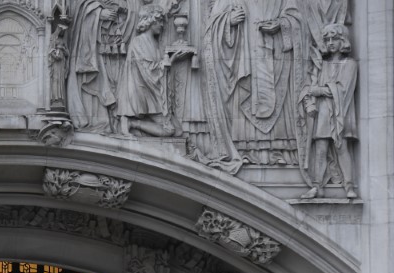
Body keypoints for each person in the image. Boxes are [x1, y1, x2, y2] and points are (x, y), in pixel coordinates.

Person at [202, 0, 310, 173]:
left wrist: (281, 24)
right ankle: (246, 152)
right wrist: (228, 21)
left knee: (278, 109)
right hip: (244, 61)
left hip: (276, 58)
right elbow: (210, 29)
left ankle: (280, 153)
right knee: (245, 106)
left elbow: (297, 19)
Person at [298, 24, 357, 199]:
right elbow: (311, 86)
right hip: (323, 111)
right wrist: (312, 91)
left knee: (341, 147)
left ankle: (349, 185)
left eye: (334, 39)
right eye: (327, 39)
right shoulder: (322, 65)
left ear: (343, 41)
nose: (330, 42)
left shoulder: (350, 64)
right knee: (321, 148)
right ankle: (317, 185)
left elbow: (343, 88)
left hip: (341, 110)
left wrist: (320, 90)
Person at [117, 5, 191, 137]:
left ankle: (134, 124)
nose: (162, 25)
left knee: (178, 130)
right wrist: (170, 61)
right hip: (144, 95)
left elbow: (154, 69)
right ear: (150, 21)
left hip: (154, 95)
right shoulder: (138, 42)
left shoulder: (154, 43)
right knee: (171, 131)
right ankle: (131, 123)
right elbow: (148, 69)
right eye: (159, 21)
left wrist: (169, 60)